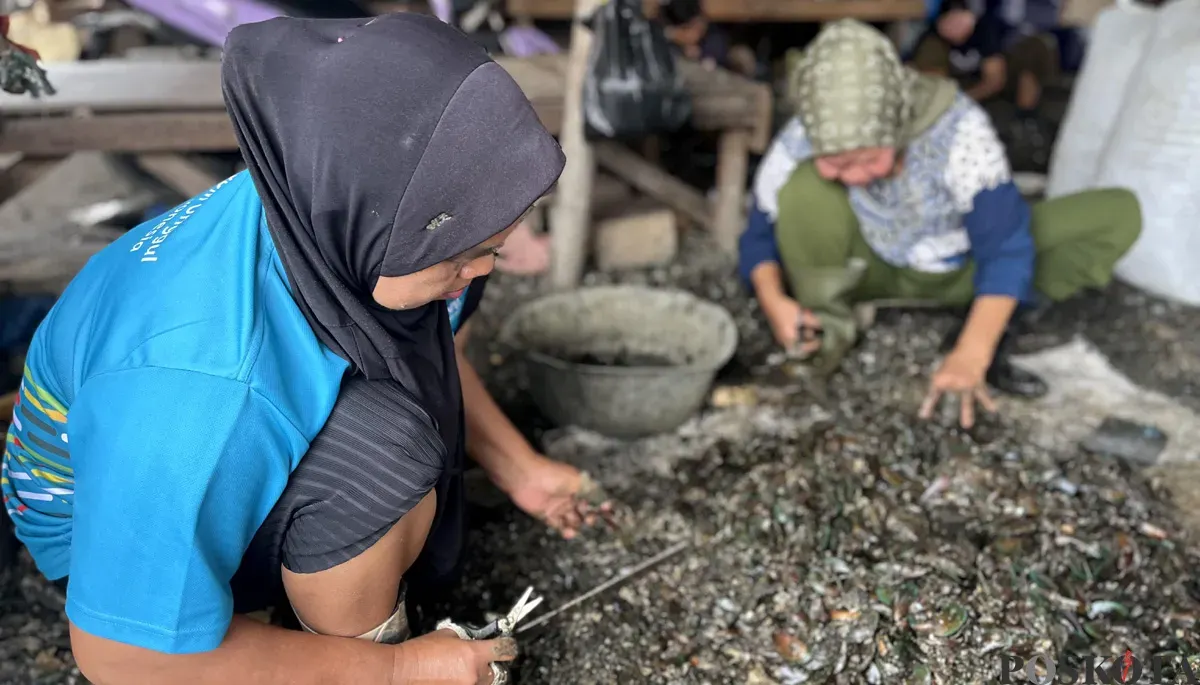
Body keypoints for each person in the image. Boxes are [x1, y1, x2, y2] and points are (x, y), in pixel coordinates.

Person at [2, 14, 604, 685]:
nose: (484, 267)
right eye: (467, 253)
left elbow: (410, 343)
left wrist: (519, 467)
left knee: (415, 344)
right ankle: (325, 643)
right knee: (383, 459)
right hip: (103, 527)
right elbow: (121, 655)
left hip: (189, 444)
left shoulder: (326, 206)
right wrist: (397, 668)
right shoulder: (200, 391)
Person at [739, 19, 1142, 429]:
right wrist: (774, 301)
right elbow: (757, 236)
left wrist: (972, 352)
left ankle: (988, 314)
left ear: (897, 125)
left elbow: (1005, 246)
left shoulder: (960, 131)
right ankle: (827, 325)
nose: (856, 177)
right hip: (867, 267)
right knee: (805, 187)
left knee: (1116, 213)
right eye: (838, 163)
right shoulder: (800, 137)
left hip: (959, 270)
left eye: (868, 158)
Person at [909, 0, 1059, 164]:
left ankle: (1027, 126)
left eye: (961, 18)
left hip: (980, 95)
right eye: (950, 19)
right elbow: (931, 84)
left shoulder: (987, 31)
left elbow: (995, 80)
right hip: (948, 100)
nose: (956, 24)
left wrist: (963, 101)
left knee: (1036, 48)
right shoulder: (931, 41)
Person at [659, 0, 756, 78]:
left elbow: (716, 55)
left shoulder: (714, 38)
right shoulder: (667, 36)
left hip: (721, 73)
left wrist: (701, 55)